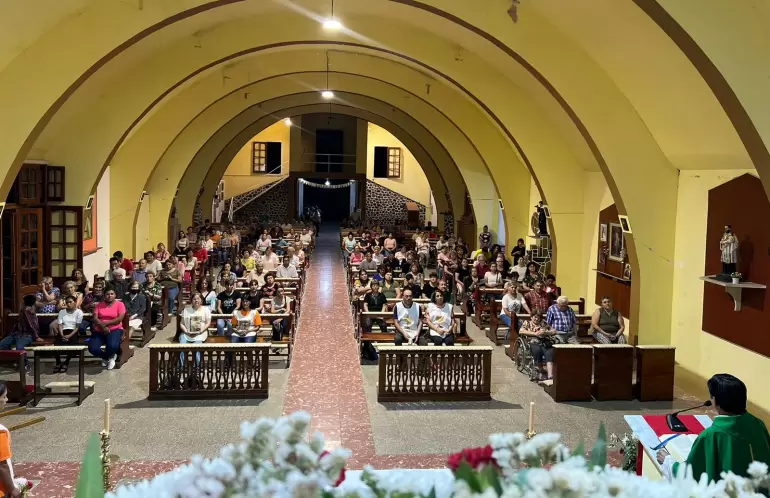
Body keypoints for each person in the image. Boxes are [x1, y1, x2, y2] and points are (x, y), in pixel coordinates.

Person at [658, 374, 770, 483]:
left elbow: (690, 475)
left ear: (715, 400)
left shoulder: (712, 435)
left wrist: (668, 462)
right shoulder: (758, 425)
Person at [0, 296, 42, 371]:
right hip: (17, 334)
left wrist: (36, 336)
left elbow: (31, 324)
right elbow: (18, 324)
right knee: (2, 344)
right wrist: (12, 334)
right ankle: (14, 360)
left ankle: (26, 365)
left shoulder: (26, 310)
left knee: (19, 347)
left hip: (27, 335)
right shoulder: (27, 310)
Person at [89, 289, 126, 370]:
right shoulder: (99, 305)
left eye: (112, 294)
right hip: (99, 329)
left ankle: (110, 355)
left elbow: (119, 319)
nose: (110, 296)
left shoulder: (120, 304)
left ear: (115, 295)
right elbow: (95, 318)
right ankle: (108, 357)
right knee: (92, 348)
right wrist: (102, 327)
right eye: (107, 294)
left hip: (115, 329)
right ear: (104, 295)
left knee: (112, 346)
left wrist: (104, 324)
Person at [519, 310, 555, 380]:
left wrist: (546, 333)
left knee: (549, 352)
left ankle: (550, 374)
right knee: (538, 351)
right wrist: (534, 333)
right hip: (533, 342)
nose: (537, 319)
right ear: (531, 317)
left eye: (538, 317)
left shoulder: (543, 323)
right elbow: (521, 331)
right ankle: (541, 370)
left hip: (544, 341)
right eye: (535, 317)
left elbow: (554, 331)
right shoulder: (527, 323)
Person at [53, 295, 84, 373]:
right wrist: (62, 334)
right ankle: (58, 362)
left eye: (70, 302)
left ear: (75, 302)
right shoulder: (62, 312)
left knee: (73, 344)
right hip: (63, 331)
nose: (68, 304)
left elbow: (77, 327)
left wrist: (69, 336)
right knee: (56, 344)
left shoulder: (79, 312)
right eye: (67, 302)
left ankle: (66, 362)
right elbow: (60, 324)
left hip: (73, 331)